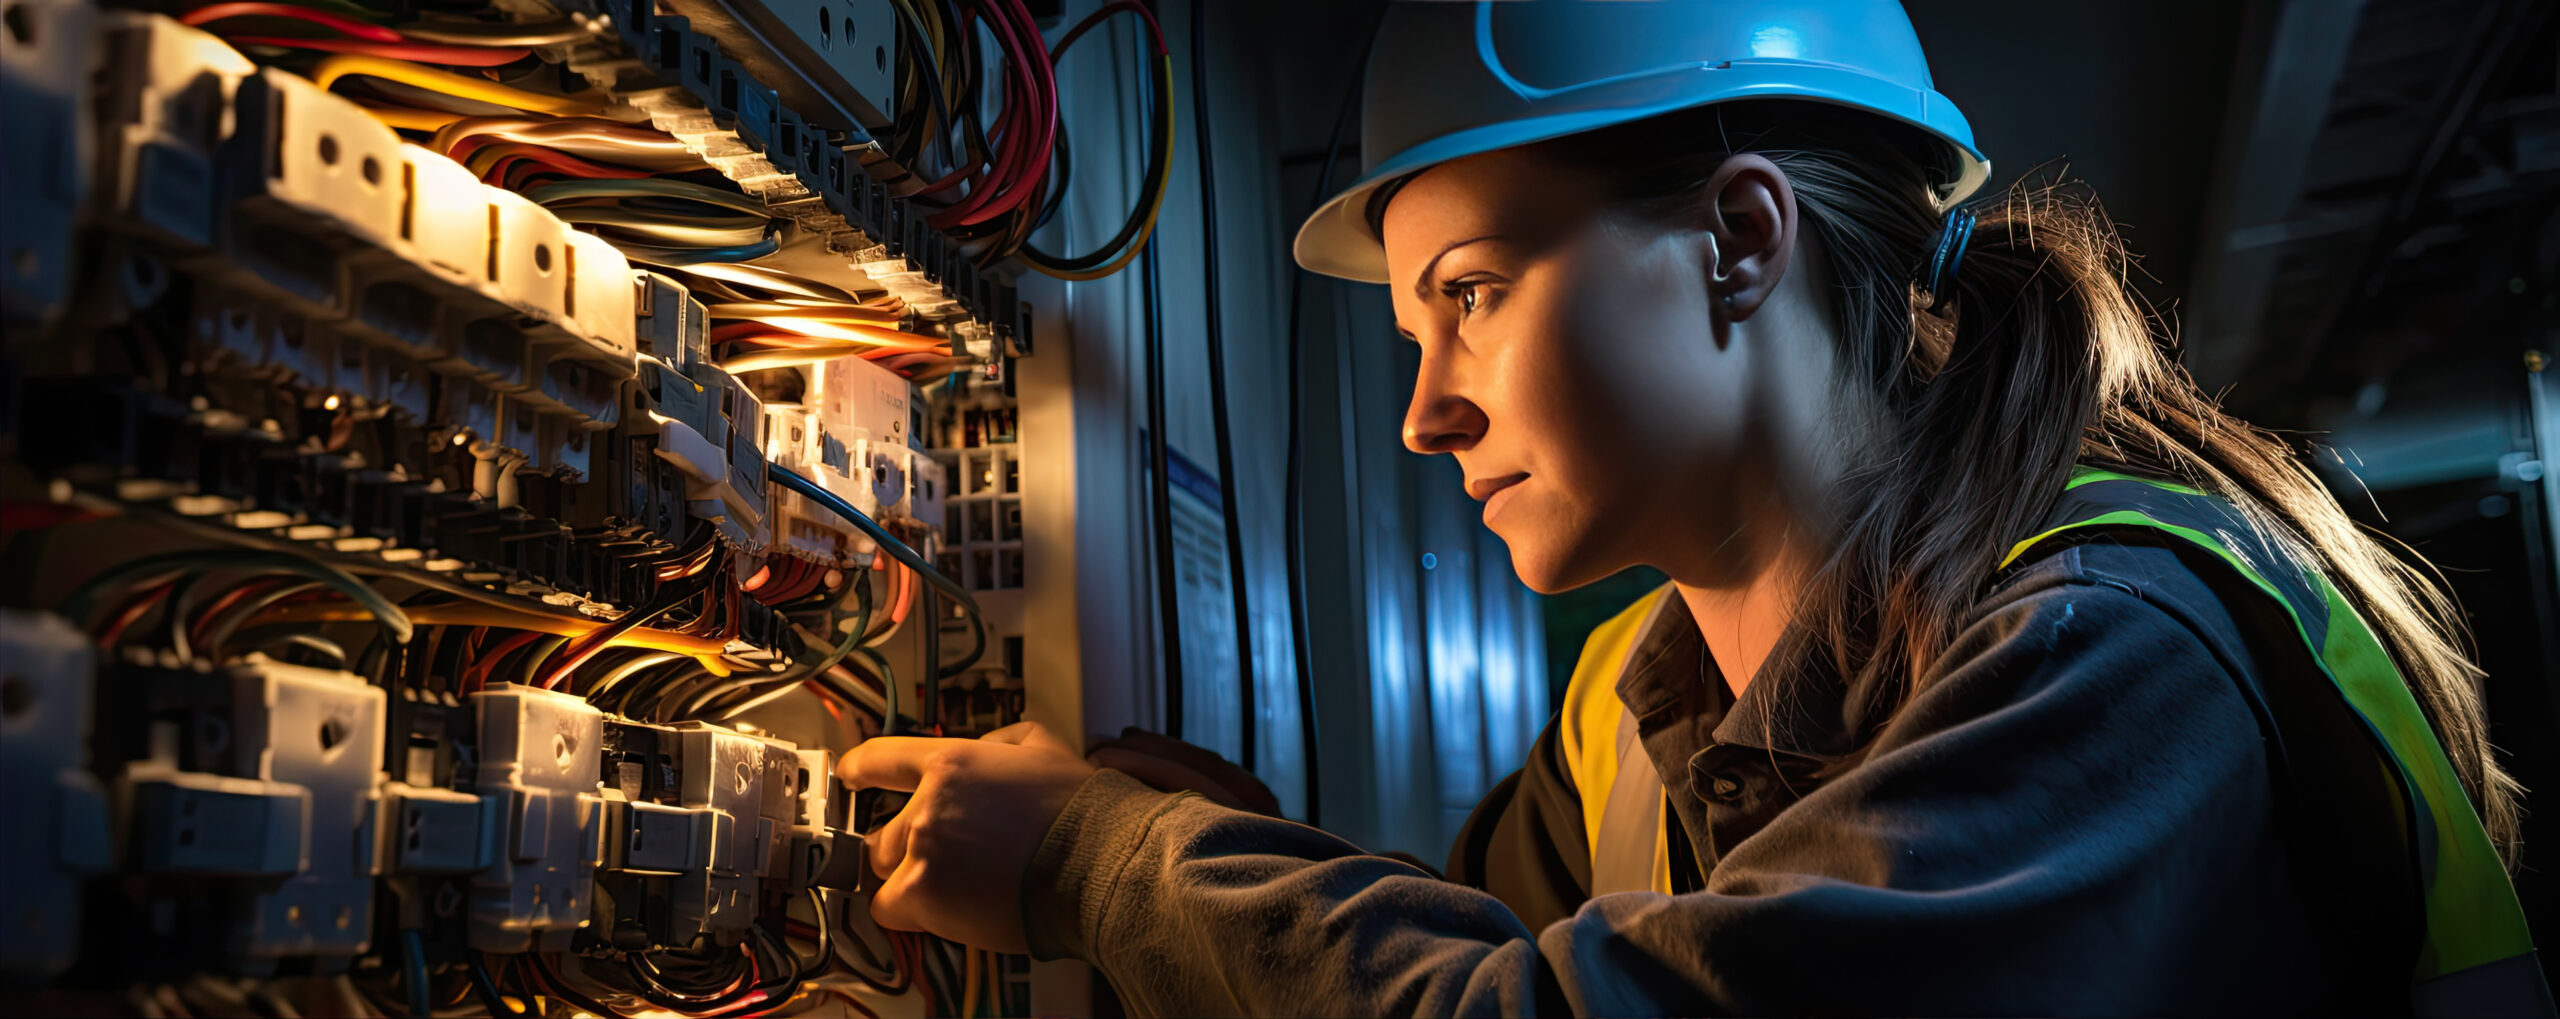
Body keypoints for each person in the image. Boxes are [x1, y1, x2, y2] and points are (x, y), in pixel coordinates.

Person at [837, 2, 2549, 1014]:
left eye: (1471, 295)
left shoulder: (2112, 652)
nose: (1428, 411)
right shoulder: (1627, 713)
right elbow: (1494, 944)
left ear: (1739, 240)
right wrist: (1222, 843)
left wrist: (1104, 867)